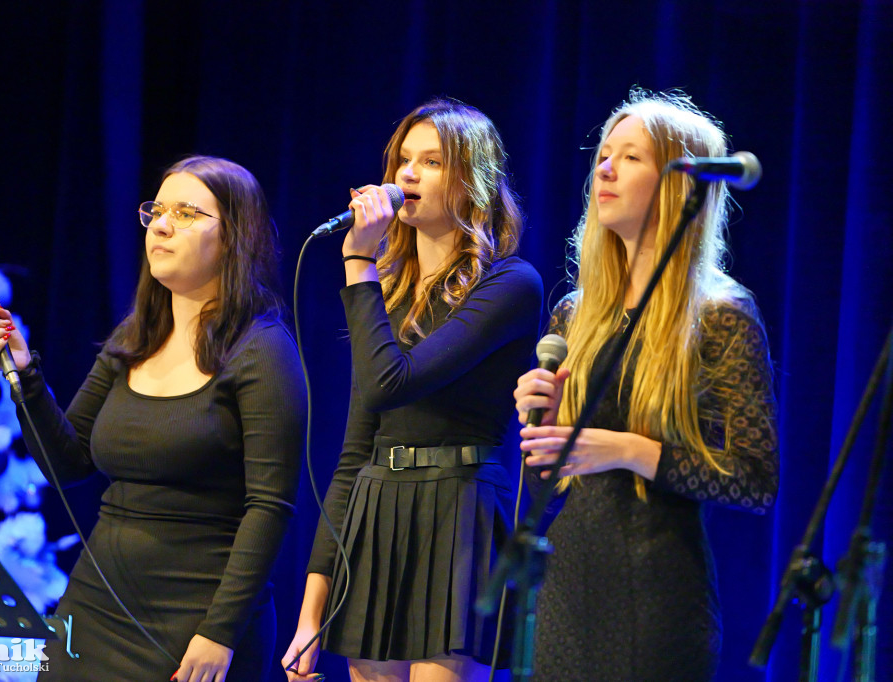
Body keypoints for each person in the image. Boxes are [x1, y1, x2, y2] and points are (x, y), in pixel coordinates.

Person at [0, 155, 306, 682]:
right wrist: (25, 374)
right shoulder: (136, 337)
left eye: (189, 213)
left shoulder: (262, 351)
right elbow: (67, 463)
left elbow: (270, 505)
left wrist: (220, 632)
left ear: (235, 239)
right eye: (158, 211)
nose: (163, 226)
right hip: (96, 608)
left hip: (197, 622)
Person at [513, 90, 779, 681]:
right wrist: (541, 424)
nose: (604, 168)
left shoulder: (720, 316)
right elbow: (542, 491)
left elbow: (757, 483)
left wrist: (627, 449)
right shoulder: (575, 315)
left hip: (660, 595)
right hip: (564, 589)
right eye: (603, 155)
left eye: (629, 157)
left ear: (677, 184)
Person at [284, 98, 543, 682]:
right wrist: (310, 617)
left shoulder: (509, 283)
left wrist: (357, 261)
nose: (407, 175)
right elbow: (354, 453)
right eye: (403, 159)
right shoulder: (388, 292)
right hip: (378, 513)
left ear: (472, 181)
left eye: (430, 162)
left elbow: (389, 382)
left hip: (459, 510)